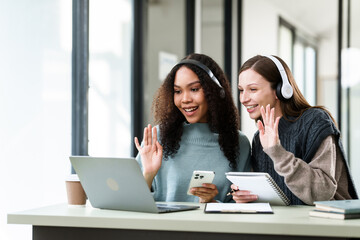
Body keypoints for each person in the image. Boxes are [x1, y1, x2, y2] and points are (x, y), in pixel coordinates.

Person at [232, 54, 358, 205]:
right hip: (287, 225)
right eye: (241, 90)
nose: (243, 98)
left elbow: (322, 193)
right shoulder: (260, 137)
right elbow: (277, 198)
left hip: (328, 223)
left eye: (252, 89)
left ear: (280, 90)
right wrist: (247, 195)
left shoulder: (315, 121)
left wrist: (276, 152)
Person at [134, 53, 251, 203]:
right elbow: (134, 203)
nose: (185, 99)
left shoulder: (239, 143)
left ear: (214, 91)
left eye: (194, 89)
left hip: (212, 227)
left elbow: (241, 208)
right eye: (178, 91)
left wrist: (211, 203)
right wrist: (148, 175)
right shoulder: (158, 137)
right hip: (162, 226)